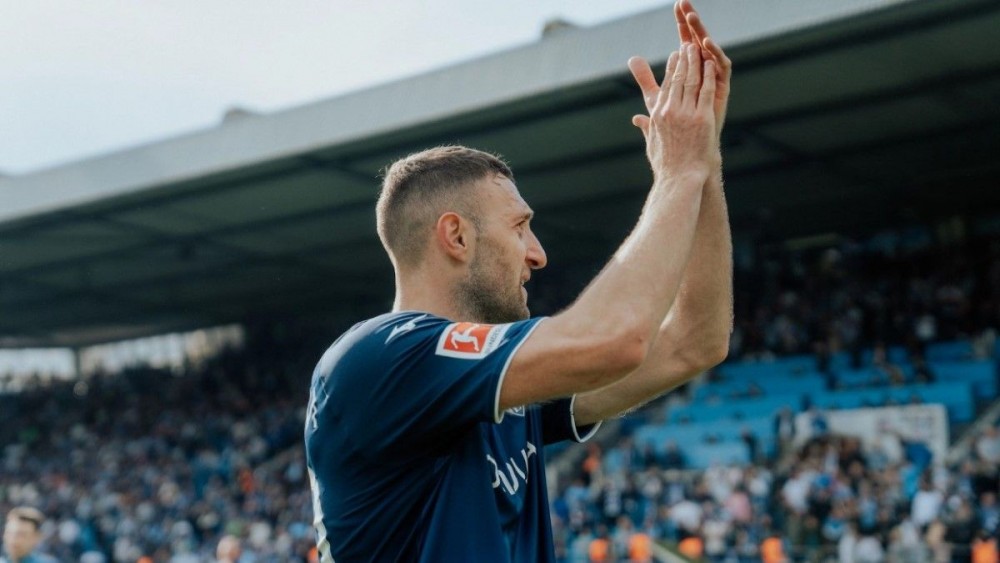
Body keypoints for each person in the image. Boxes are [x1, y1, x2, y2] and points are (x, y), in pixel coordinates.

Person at [304, 1, 733, 560]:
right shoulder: (380, 360)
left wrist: (704, 164)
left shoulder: (501, 390)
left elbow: (694, 343)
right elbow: (616, 339)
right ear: (456, 237)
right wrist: (677, 174)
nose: (538, 254)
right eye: (520, 227)